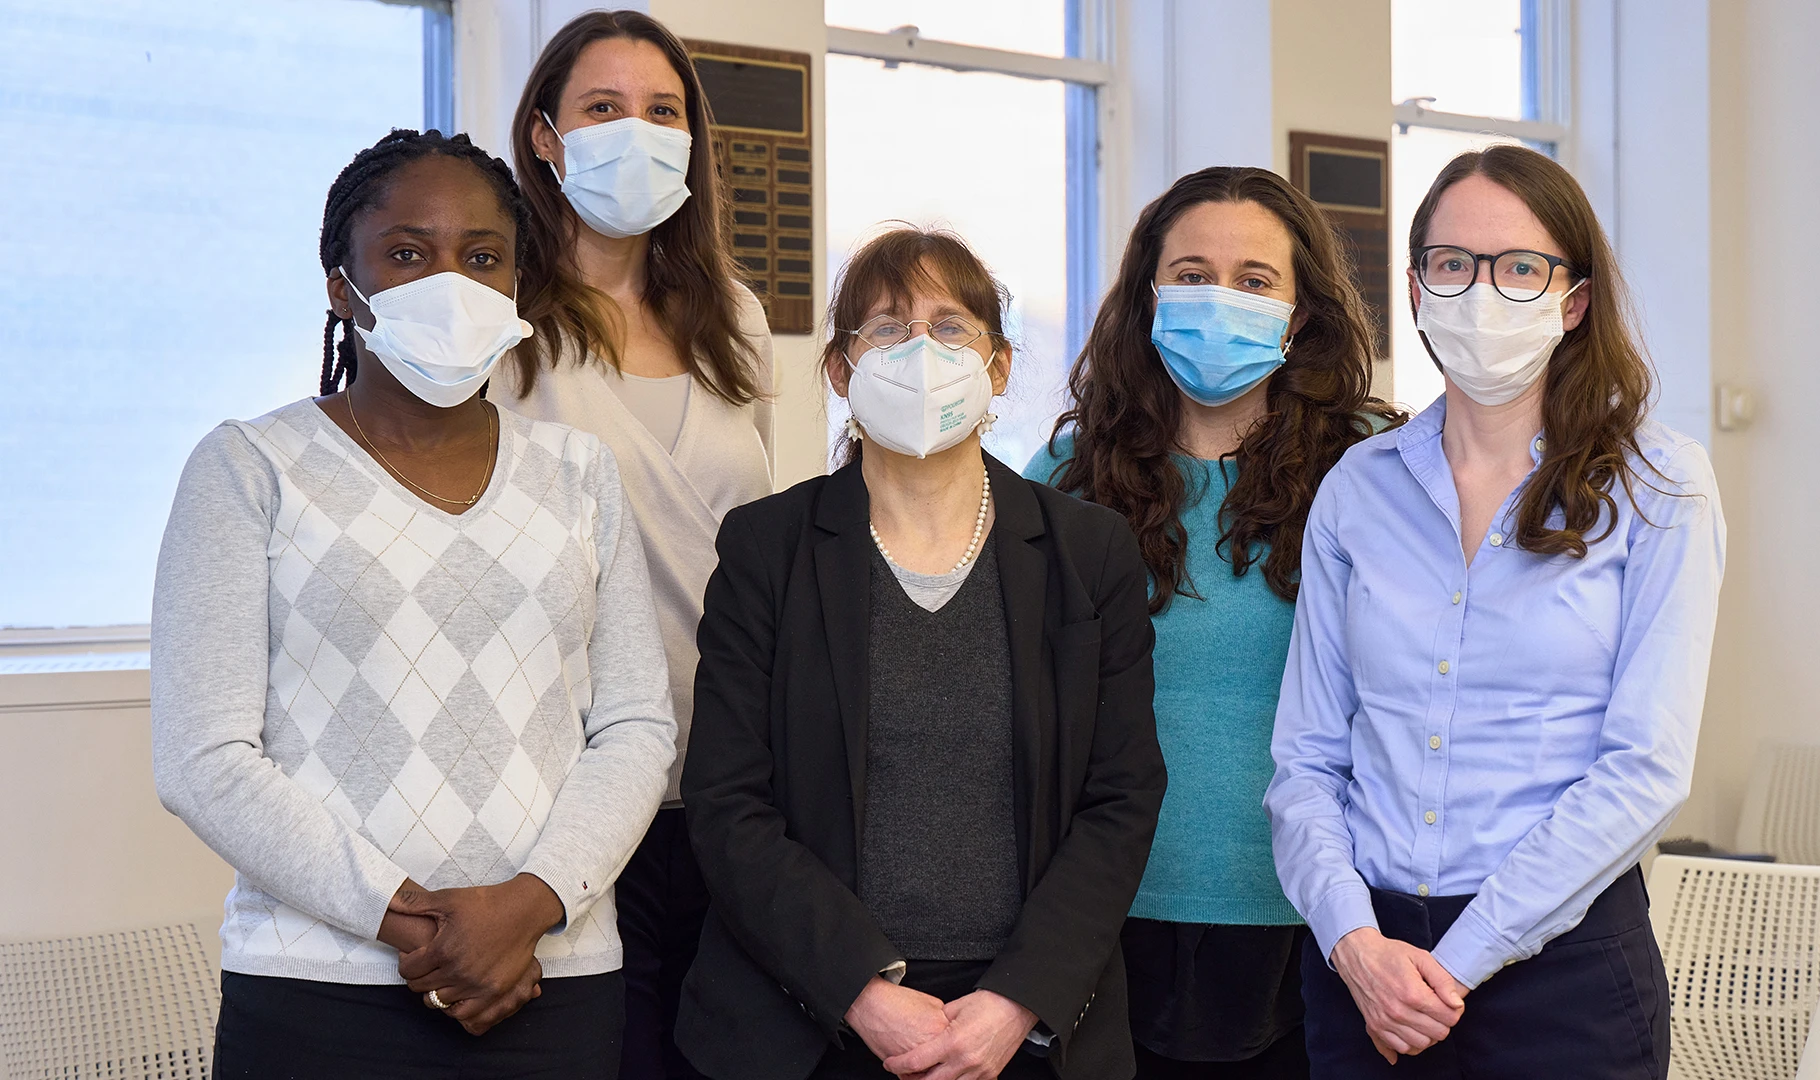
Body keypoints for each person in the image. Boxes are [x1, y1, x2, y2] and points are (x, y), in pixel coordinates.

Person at [149, 129, 679, 1080]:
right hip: (316, 995)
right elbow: (204, 758)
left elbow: (636, 725)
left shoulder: (579, 475)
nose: (451, 282)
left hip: (555, 980)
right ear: (341, 287)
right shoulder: (247, 469)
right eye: (406, 253)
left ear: (518, 285)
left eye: (482, 257)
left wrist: (526, 907)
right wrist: (416, 924)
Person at [1266, 145, 1726, 1078]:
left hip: (1561, 975)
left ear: (1575, 298)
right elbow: (1306, 759)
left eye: (1521, 267)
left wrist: (1461, 958)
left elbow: (1645, 769)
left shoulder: (1659, 483)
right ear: (1416, 287)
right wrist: (1354, 943)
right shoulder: (1360, 487)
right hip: (1367, 973)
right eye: (1453, 265)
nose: (1483, 293)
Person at [674, 226, 1167, 1080]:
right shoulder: (768, 548)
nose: (920, 351)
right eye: (888, 329)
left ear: (1000, 368)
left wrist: (1018, 1000)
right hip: (809, 1022)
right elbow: (725, 801)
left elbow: (1121, 798)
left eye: (950, 328)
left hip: (1026, 1028)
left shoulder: (1089, 552)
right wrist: (862, 991)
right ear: (841, 369)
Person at [1026, 165, 1401, 1078]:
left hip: (1320, 924)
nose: (1219, 299)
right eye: (1191, 275)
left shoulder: (1374, 469)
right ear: (1148, 293)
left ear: (1301, 311)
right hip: (1107, 916)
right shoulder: (1067, 474)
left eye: (1254, 280)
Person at [497, 13, 775, 1078]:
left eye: (663, 112)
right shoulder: (500, 320)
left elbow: (760, 546)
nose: (636, 133)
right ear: (543, 137)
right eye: (602, 109)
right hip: (564, 798)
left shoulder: (734, 318)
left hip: (724, 789)